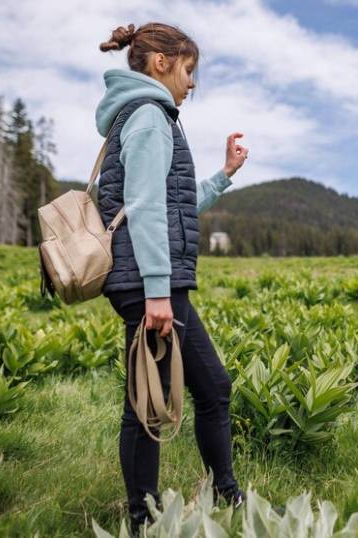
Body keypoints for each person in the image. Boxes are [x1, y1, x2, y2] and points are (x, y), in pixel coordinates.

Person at [95, 22, 248, 533]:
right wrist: (158, 292)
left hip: (155, 284)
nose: (193, 82)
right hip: (149, 286)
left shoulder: (148, 117)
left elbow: (173, 204)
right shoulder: (147, 116)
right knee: (146, 406)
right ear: (160, 63)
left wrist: (224, 176)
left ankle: (225, 492)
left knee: (213, 387)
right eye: (188, 69)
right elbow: (143, 210)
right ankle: (143, 519)